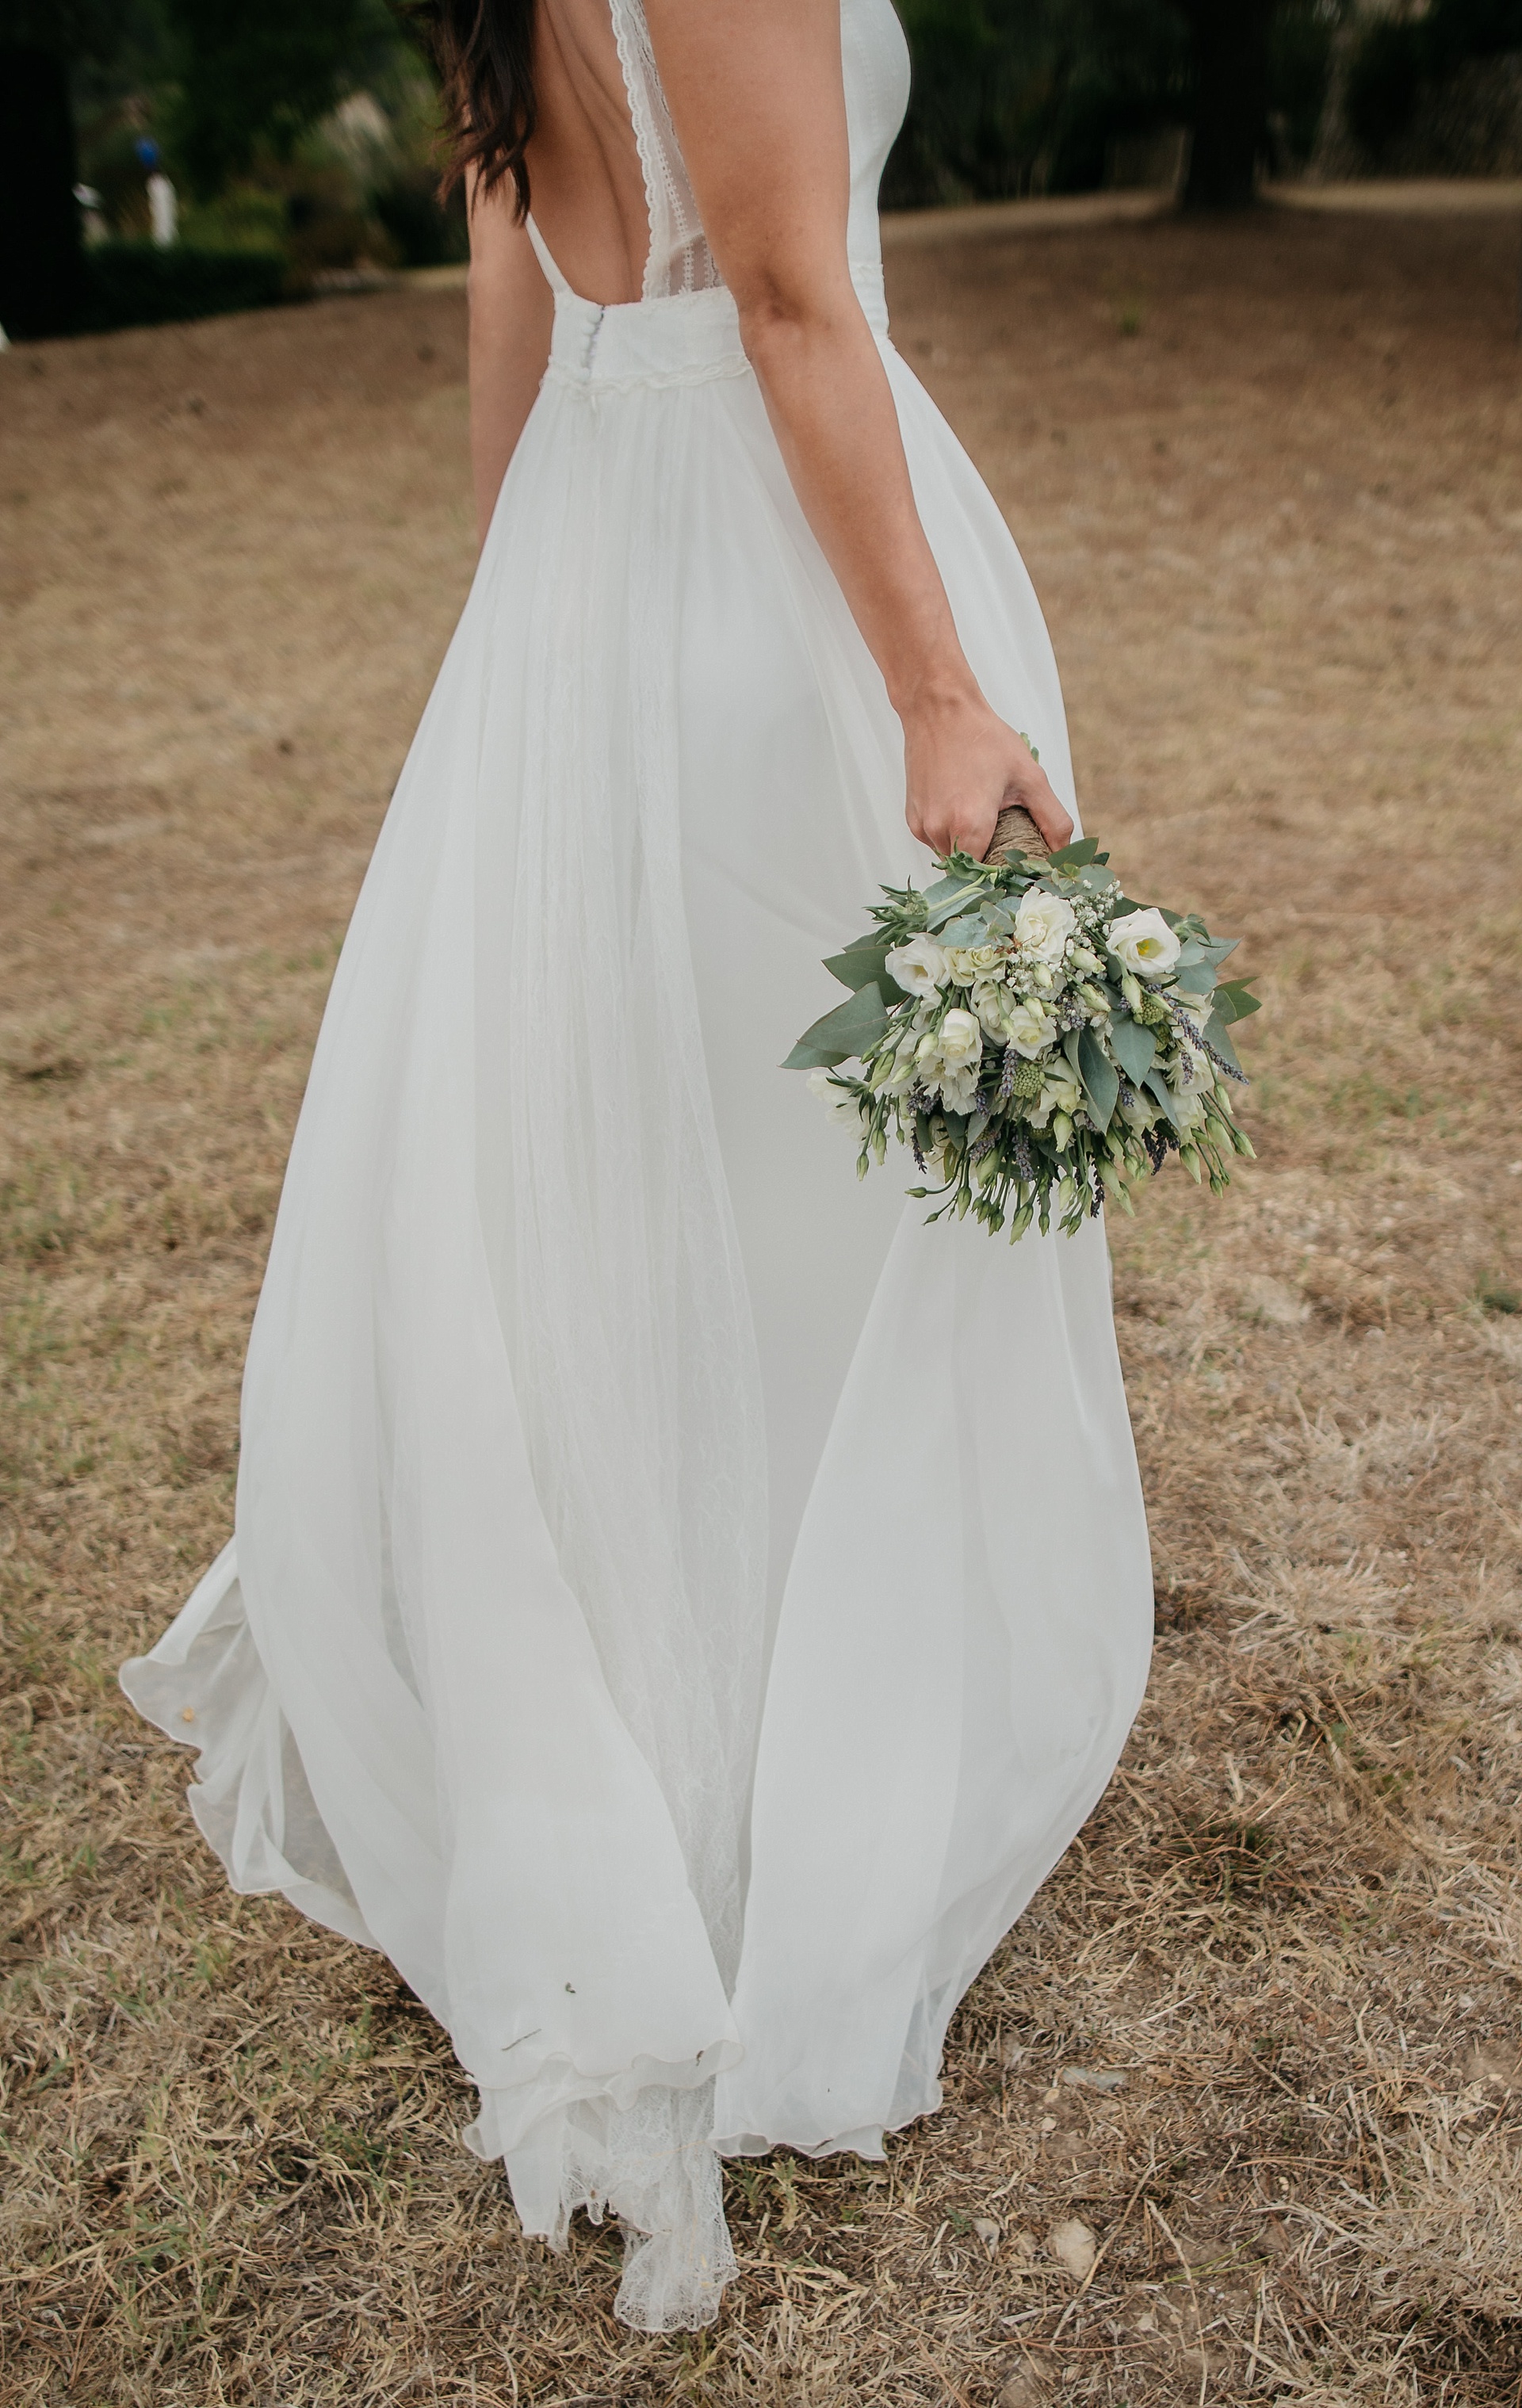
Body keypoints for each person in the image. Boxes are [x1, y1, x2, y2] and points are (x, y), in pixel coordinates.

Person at [122, 0, 1153, 2333]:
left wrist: (525, 652)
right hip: (752, 574)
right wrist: (931, 687)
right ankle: (757, 1781)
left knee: (667, 1178)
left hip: (599, 551)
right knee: (807, 1190)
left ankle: (698, 1646)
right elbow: (790, 298)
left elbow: (521, 301)